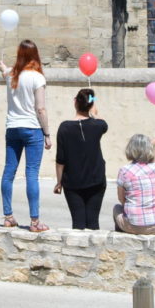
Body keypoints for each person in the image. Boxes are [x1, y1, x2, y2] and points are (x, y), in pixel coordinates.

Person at [0, 40, 51, 232]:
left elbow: (5, 71)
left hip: (12, 128)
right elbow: (41, 108)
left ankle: (8, 216)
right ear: (35, 55)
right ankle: (35, 222)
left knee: (9, 172)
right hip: (32, 129)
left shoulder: (11, 75)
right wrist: (47, 133)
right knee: (31, 174)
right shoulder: (37, 78)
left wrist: (3, 68)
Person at [53, 88, 108, 229]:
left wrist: (59, 182)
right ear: (91, 105)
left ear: (75, 102)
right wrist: (93, 109)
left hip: (73, 182)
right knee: (93, 223)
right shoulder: (98, 125)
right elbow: (103, 123)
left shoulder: (64, 127)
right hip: (96, 180)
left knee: (78, 223)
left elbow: (60, 160)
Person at [112, 134, 155, 234]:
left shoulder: (125, 171)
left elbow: (121, 199)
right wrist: (153, 146)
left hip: (135, 225)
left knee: (117, 208)